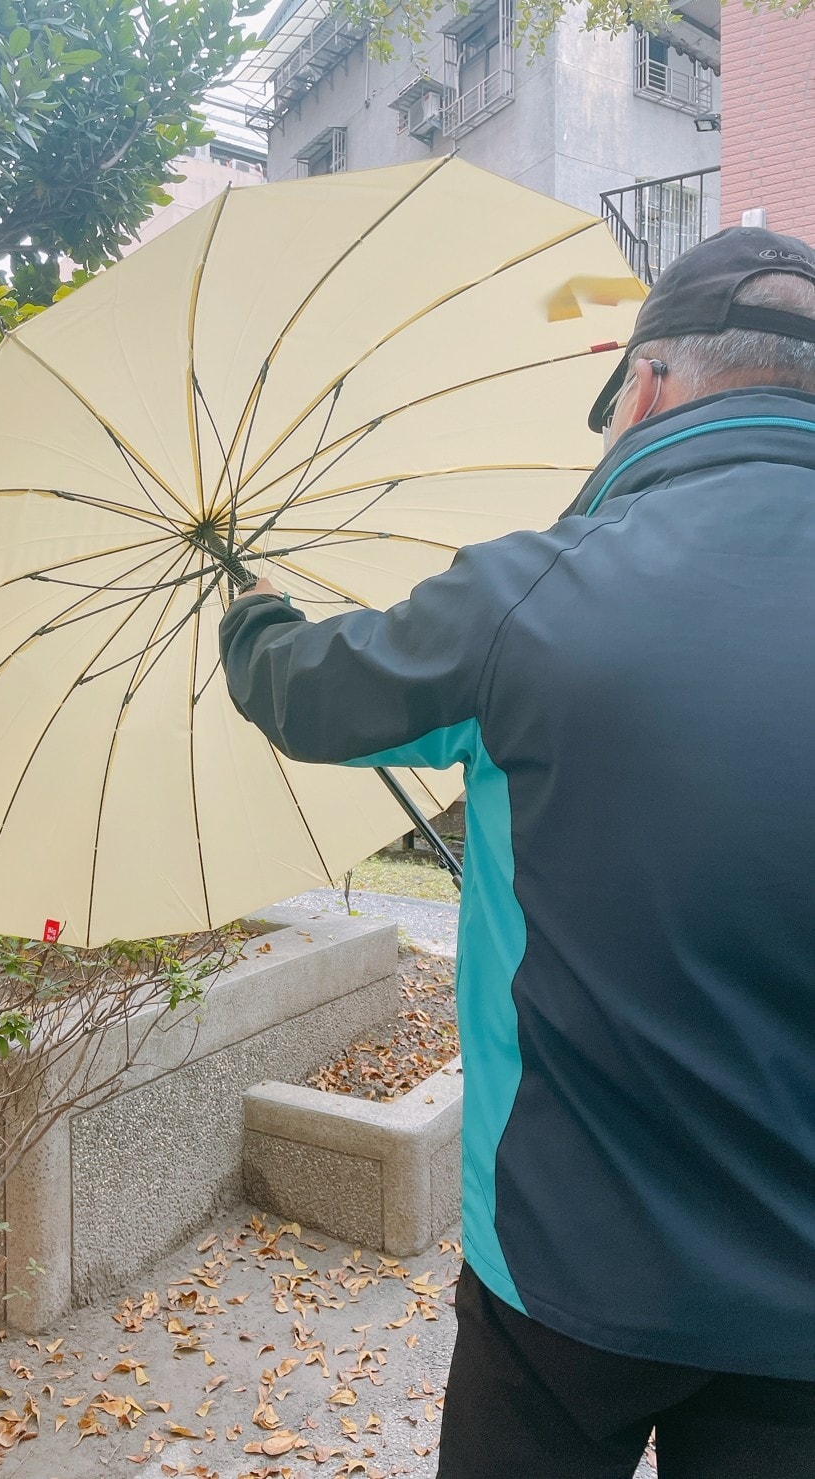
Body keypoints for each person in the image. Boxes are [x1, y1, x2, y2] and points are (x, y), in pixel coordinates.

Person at [218, 227, 815, 1479]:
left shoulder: (529, 596)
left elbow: (305, 694)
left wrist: (250, 609)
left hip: (561, 1263)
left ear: (645, 385)